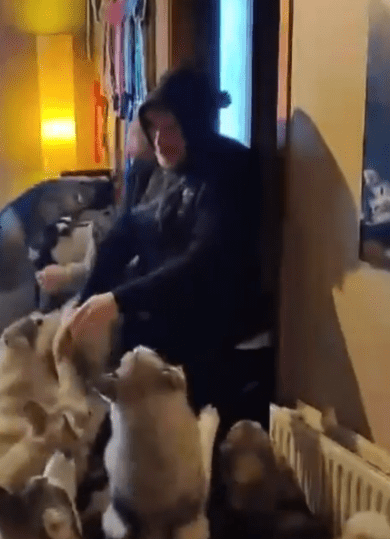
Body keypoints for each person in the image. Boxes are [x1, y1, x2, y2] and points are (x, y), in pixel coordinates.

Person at [61, 65, 274, 436]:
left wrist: (118, 300)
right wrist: (85, 299)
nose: (159, 140)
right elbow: (120, 238)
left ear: (195, 124)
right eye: (154, 128)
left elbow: (203, 262)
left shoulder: (232, 170)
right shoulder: (148, 171)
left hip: (214, 329)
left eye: (171, 128)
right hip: (159, 320)